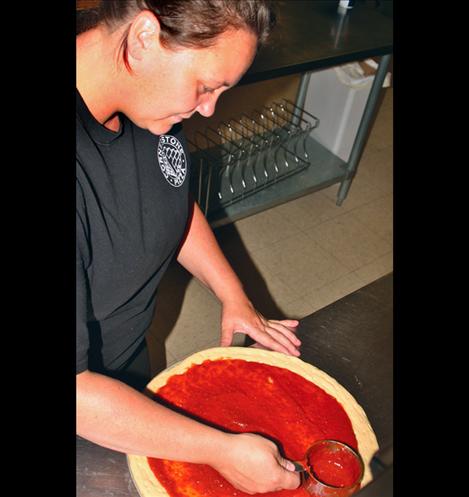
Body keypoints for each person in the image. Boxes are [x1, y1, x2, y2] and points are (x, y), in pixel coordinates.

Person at [76, 1, 301, 493]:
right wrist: (221, 450)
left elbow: (168, 193)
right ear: (143, 37)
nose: (209, 109)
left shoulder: (142, 93)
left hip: (124, 364)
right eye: (206, 85)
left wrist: (231, 291)